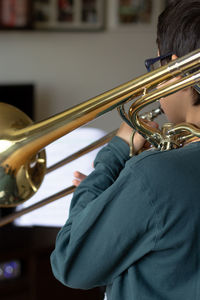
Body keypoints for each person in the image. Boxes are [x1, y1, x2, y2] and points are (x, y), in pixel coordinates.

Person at [50, 1, 200, 299]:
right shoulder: (155, 175)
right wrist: (121, 197)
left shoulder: (155, 174)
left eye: (158, 65)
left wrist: (116, 153)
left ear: (176, 70)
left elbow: (70, 263)